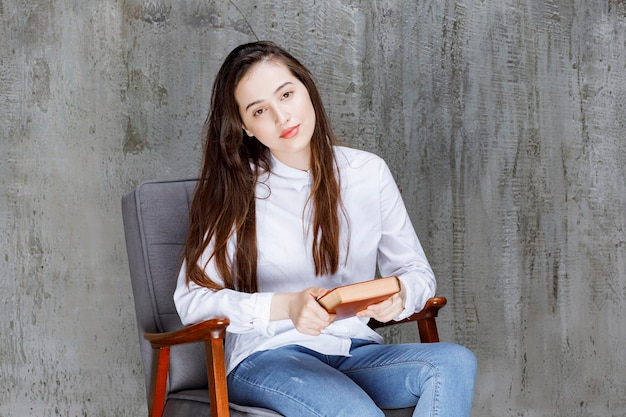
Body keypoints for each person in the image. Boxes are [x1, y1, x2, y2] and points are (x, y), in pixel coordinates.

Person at [174, 40, 476, 417]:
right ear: (246, 128)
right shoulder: (238, 190)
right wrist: (288, 305)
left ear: (307, 89)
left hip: (353, 350)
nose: (282, 117)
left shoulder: (368, 173)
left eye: (287, 94)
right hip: (268, 357)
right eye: (259, 111)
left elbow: (417, 273)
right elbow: (191, 300)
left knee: (452, 364)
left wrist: (402, 293)